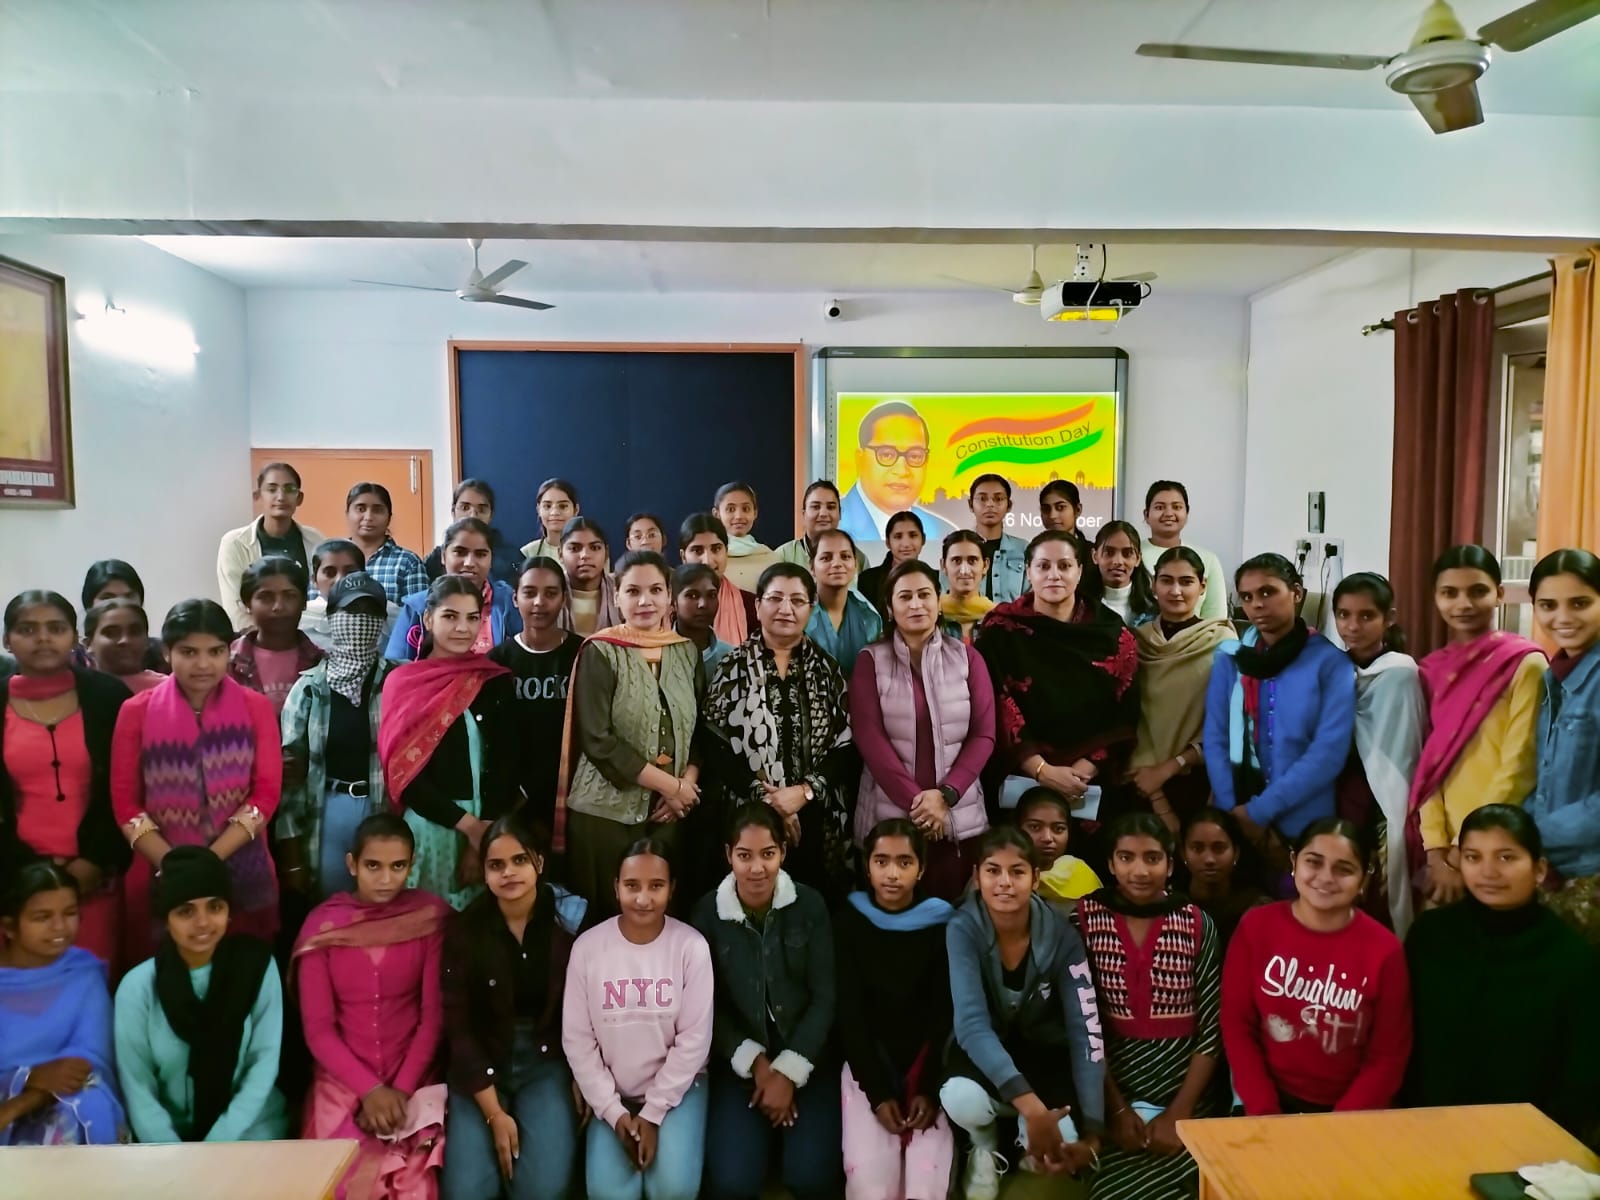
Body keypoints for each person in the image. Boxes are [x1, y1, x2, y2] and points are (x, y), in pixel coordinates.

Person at [111, 599, 282, 965]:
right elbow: (126, 806)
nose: (203, 664)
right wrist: (174, 865)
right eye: (189, 652)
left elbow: (265, 795)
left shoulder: (255, 707)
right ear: (166, 652)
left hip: (243, 867)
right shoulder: (136, 711)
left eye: (215, 651)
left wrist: (208, 862)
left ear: (229, 651)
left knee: (242, 972)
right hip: (160, 871)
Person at [940, 827, 1105, 1200]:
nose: (1004, 882)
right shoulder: (962, 928)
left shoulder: (1063, 936)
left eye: (1017, 871)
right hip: (985, 1053)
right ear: (976, 876)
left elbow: (1086, 1030)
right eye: (992, 870)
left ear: (1036, 878)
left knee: (1066, 1141)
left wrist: (1094, 1130)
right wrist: (1032, 1108)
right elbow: (971, 1026)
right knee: (960, 1097)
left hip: (1043, 1054)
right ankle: (984, 1143)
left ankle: (1025, 1134)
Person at [295, 813, 451, 1199]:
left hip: (413, 1077)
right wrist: (370, 1091)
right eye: (373, 866)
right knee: (335, 1183)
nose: (385, 879)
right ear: (352, 864)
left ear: (412, 865)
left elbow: (432, 1019)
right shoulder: (323, 929)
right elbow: (318, 1030)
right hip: (341, 1081)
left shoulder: (429, 919)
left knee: (414, 1187)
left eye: (398, 866)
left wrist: (399, 1091)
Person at [692, 803, 842, 1200]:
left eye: (768, 854)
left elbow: (825, 997)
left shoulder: (810, 905)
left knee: (811, 1179)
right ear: (728, 855)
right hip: (740, 1066)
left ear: (783, 853)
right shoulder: (706, 914)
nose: (757, 868)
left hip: (808, 1058)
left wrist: (788, 1072)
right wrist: (758, 1066)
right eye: (745, 855)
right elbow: (706, 1006)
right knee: (732, 1182)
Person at [1219, 817, 1411, 1115]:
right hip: (1267, 1104)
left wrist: (1336, 1126)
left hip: (1353, 1114)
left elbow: (1388, 1056)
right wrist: (1264, 1110)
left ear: (1364, 877)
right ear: (1294, 862)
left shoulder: (1385, 950)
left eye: (1344, 869)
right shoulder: (1256, 927)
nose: (1326, 877)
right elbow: (1237, 1024)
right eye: (1314, 862)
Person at [441, 816, 587, 1200]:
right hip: (482, 1060)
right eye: (496, 865)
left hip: (546, 1060)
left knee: (544, 1190)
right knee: (466, 1192)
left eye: (519, 860)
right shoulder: (465, 931)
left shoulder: (570, 923)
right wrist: (494, 1115)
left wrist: (583, 1073)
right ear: (484, 872)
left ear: (539, 862)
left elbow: (588, 1012)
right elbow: (458, 1028)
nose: (508, 872)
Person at [1075, 813, 1220, 1200]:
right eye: (1126, 857)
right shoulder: (1084, 920)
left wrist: (1178, 1115)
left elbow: (1212, 1029)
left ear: (1170, 865)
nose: (1139, 871)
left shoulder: (1197, 924)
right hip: (1111, 1098)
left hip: (1188, 1100)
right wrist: (1117, 1111)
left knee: (1206, 1188)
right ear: (1110, 863)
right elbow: (1082, 1026)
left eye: (1152, 858)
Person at [975, 531, 1139, 865]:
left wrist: (1084, 769)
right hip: (1018, 778)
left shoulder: (1112, 634)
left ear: (1080, 570)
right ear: (1028, 571)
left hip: (1089, 784)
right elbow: (996, 703)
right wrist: (1040, 769)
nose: (1054, 575)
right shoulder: (999, 631)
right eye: (1044, 566)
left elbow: (1124, 713)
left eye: (1064, 566)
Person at [562, 839, 714, 1200]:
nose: (643, 899)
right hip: (613, 1091)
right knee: (608, 1194)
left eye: (656, 886)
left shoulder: (691, 947)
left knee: (673, 1191)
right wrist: (613, 1113)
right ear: (616, 887)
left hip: (678, 1090)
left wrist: (653, 1113)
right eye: (632, 885)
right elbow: (578, 1041)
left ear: (672, 888)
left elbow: (694, 1042)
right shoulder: (587, 948)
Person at [557, 551, 704, 911]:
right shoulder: (601, 651)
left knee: (661, 916)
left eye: (655, 590)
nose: (644, 601)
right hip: (604, 817)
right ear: (617, 596)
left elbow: (700, 729)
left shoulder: (687, 652)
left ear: (669, 596)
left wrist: (685, 786)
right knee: (608, 917)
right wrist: (672, 787)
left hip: (670, 813)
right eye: (633, 591)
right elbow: (598, 740)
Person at [114, 845, 288, 1142]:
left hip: (251, 1129)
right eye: (186, 911)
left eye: (215, 907)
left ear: (229, 912)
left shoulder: (256, 968)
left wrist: (214, 1147)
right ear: (166, 919)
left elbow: (263, 1064)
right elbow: (138, 1087)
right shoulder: (137, 988)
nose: (203, 922)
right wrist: (174, 1153)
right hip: (166, 1137)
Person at [703, 563, 856, 899]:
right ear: (757, 605)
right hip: (747, 818)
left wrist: (803, 792)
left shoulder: (828, 670)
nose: (785, 609)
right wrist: (767, 799)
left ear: (811, 609)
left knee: (813, 902)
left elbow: (846, 747)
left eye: (797, 601)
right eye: (775, 598)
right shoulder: (731, 668)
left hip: (815, 816)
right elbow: (714, 746)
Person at [1204, 554, 1355, 893]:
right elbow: (1215, 739)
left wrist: (1258, 813)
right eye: (1247, 597)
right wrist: (1235, 813)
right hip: (1235, 822)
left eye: (1268, 592)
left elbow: (1328, 754)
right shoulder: (1231, 659)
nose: (1257, 604)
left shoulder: (1330, 663)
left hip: (1306, 823)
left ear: (1297, 593)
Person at [1409, 545, 1546, 908]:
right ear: (1435, 598)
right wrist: (1436, 848)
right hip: (1441, 845)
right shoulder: (1431, 670)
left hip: (1501, 838)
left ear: (1499, 594)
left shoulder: (1525, 664)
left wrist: (1464, 850)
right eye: (1449, 593)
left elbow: (1520, 764)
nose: (1463, 604)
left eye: (1477, 591)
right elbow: (1427, 764)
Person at [1, 591, 132, 966]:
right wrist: (27, 870)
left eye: (56, 629)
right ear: (7, 640)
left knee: (91, 980)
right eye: (28, 629)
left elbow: (125, 788)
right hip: (14, 880)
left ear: (75, 636)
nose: (43, 639)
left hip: (94, 877)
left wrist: (93, 862)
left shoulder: (108, 697)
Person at [850, 560, 993, 900]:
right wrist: (918, 804)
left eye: (924, 594)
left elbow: (984, 734)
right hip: (890, 822)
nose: (916, 604)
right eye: (905, 597)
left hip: (957, 819)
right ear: (889, 608)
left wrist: (946, 796)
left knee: (954, 915)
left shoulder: (968, 659)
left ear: (938, 600)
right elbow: (869, 737)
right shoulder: (871, 660)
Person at [833, 819, 956, 1200]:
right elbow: (850, 1016)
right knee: (870, 1188)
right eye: (881, 861)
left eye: (904, 862)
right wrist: (878, 1093)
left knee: (924, 1188)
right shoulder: (849, 921)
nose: (892, 874)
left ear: (921, 868)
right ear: (867, 866)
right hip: (868, 1069)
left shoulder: (943, 923)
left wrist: (930, 1090)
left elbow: (946, 1013)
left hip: (929, 1069)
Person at [378, 576, 516, 910]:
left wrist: (482, 836)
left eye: (472, 618)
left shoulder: (492, 680)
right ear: (428, 619)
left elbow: (507, 762)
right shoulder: (403, 683)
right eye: (450, 616)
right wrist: (469, 828)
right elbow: (403, 774)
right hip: (430, 826)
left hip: (489, 825)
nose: (462, 628)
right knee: (426, 921)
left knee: (476, 925)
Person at [280, 573, 397, 899]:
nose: (360, 620)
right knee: (333, 904)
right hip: (326, 812)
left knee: (383, 905)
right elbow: (290, 778)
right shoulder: (309, 689)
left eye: (370, 612)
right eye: (350, 611)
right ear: (332, 618)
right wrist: (291, 858)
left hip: (384, 812)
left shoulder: (398, 681)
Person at [0, 861, 127, 1145]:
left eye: (69, 913)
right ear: (9, 926)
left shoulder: (84, 973)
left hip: (57, 1100)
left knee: (88, 1102)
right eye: (42, 917)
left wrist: (20, 1103)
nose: (59, 927)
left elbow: (86, 1060)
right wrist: (28, 1077)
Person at [1332, 572, 1424, 934]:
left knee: (1379, 898)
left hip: (1385, 796)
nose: (1353, 626)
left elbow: (1406, 744)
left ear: (1389, 618)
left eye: (1366, 615)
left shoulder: (1402, 673)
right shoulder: (1333, 669)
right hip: (1339, 789)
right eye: (1344, 615)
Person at [1127, 547, 1235, 838]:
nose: (1175, 591)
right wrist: (1157, 796)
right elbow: (1129, 714)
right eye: (1166, 580)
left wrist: (1174, 765)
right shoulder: (1136, 642)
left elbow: (1230, 720)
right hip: (1138, 779)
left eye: (1186, 581)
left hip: (1198, 778)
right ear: (1153, 585)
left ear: (1203, 586)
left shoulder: (1221, 642)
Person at [1526, 549, 1600, 939]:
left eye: (1580, 603)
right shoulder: (1552, 675)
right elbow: (1545, 775)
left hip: (1591, 872)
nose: (1563, 617)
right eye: (1548, 605)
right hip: (1552, 870)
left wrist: (1530, 836)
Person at [488, 558, 582, 835]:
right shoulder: (497, 661)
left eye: (551, 593)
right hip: (513, 798)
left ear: (564, 599)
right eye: (529, 593)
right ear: (515, 599)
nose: (539, 602)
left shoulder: (584, 654)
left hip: (572, 793)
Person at [388, 519, 523, 661]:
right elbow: (395, 665)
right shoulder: (418, 606)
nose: (469, 563)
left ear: (491, 559)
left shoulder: (509, 603)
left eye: (480, 554)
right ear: (443, 556)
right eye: (459, 552)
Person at [217, 462, 325, 628]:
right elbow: (235, 610)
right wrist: (269, 638)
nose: (281, 497)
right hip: (256, 637)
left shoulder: (316, 540)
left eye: (289, 489)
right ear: (257, 496)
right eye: (272, 489)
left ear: (299, 498)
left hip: (310, 635)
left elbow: (324, 598)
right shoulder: (235, 543)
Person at [838, 402, 957, 545]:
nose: (902, 471)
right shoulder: (834, 526)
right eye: (886, 455)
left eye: (915, 456)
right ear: (860, 459)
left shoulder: (943, 533)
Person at [229, 555, 325, 716]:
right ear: (247, 603)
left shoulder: (320, 663)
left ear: (304, 602)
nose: (278, 606)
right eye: (266, 597)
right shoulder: (228, 663)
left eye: (289, 596)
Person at [1180, 807, 1269, 951]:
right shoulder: (1170, 906)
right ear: (1183, 854)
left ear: (1236, 854)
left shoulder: (1258, 909)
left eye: (1219, 848)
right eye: (1197, 848)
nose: (1209, 859)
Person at [1140, 482, 1229, 622]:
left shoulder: (1207, 558)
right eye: (1159, 507)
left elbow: (1216, 617)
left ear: (1186, 513)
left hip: (1198, 635)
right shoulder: (1131, 555)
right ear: (1146, 515)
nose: (1168, 513)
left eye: (1176, 507)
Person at [1014, 788, 1102, 919]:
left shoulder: (1081, 875)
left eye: (1058, 829)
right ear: (1016, 829)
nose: (1047, 838)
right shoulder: (999, 876)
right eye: (1035, 827)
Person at [805, 528, 882, 678]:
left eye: (845, 556)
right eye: (826, 558)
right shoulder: (799, 613)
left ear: (855, 564)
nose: (837, 564)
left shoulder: (869, 616)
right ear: (812, 567)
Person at [677, 513, 758, 648]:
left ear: (726, 552)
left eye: (716, 549)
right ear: (683, 557)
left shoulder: (751, 607)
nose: (707, 561)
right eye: (697, 551)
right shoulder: (667, 608)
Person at [346, 482, 430, 604]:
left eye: (377, 510)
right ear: (347, 513)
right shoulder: (332, 558)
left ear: (389, 517)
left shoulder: (407, 562)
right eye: (360, 509)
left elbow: (418, 612)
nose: (368, 517)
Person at [426, 479, 522, 586]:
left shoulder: (511, 557)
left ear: (491, 515)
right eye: (465, 508)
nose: (473, 515)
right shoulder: (435, 559)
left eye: (481, 510)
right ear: (453, 511)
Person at [77, 560, 166, 675]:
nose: (120, 604)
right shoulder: (73, 663)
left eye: (129, 597)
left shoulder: (163, 656)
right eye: (108, 598)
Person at [302, 538, 371, 651]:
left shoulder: (388, 615)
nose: (340, 580)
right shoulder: (301, 620)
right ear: (314, 580)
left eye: (350, 573)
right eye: (330, 573)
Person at [967, 474, 1027, 604]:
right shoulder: (957, 549)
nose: (990, 504)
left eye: (998, 499)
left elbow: (1031, 599)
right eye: (982, 499)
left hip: (1014, 618)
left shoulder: (1023, 549)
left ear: (1009, 505)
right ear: (971, 504)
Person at [83, 598, 165, 693]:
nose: (125, 640)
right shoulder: (77, 690)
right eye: (111, 633)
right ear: (88, 644)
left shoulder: (168, 689)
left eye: (134, 632)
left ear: (147, 640)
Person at [560, 516, 623, 636]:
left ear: (606, 553)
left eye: (595, 548)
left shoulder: (622, 590)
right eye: (574, 548)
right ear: (560, 554)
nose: (585, 555)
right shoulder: (549, 592)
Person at [856, 511, 924, 620]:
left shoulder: (934, 579)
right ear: (888, 542)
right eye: (898, 537)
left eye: (913, 535)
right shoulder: (867, 580)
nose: (906, 544)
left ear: (923, 539)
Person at [714, 481, 779, 593]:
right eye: (730, 509)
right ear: (717, 514)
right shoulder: (711, 559)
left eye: (745, 509)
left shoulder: (771, 558)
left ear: (755, 513)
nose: (739, 516)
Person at [671, 563, 732, 675]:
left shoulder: (731, 657)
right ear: (673, 603)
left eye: (711, 595)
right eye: (692, 596)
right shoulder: (658, 658)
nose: (703, 604)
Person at [1093, 521, 1157, 628]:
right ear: (1095, 556)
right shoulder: (1079, 607)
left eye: (1127, 554)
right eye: (1109, 552)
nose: (1118, 561)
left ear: (1138, 559)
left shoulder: (1153, 611)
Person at [775, 480, 843, 573]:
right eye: (816, 507)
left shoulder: (856, 558)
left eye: (830, 507)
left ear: (840, 514)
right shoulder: (783, 556)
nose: (823, 513)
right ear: (804, 514)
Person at [938, 530, 994, 645]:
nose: (964, 571)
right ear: (943, 566)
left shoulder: (998, 619)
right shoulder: (931, 616)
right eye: (956, 561)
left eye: (972, 561)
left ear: (985, 565)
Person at [520, 477, 581, 562]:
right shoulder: (528, 553)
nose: (554, 512)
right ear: (538, 510)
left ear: (576, 510)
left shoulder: (589, 550)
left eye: (563, 506)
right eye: (547, 506)